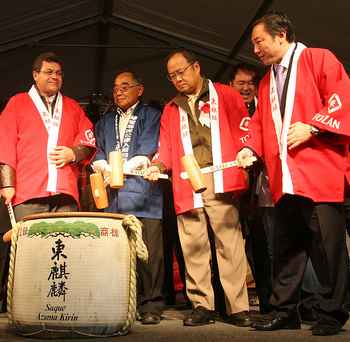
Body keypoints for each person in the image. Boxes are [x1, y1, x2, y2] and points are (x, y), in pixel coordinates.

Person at [236, 12, 350, 336]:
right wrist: (250, 149)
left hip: (318, 172)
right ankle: (285, 310)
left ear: (281, 34)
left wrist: (313, 125)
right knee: (286, 247)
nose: (255, 49)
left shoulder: (318, 59)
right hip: (284, 177)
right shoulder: (265, 81)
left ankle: (333, 312)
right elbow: (258, 125)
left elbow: (343, 99)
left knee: (327, 250)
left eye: (259, 41)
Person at [144, 49, 251, 327]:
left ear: (196, 67)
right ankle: (202, 304)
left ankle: (237, 307)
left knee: (229, 242)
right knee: (193, 245)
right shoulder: (170, 108)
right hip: (186, 179)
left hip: (221, 175)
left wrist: (247, 149)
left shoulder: (226, 95)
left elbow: (243, 129)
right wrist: (158, 165)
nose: (178, 79)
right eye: (172, 76)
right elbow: (165, 147)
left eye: (181, 72)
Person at [92, 70, 164, 325]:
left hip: (145, 195)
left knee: (149, 253)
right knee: (118, 254)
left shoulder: (151, 116)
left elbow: (149, 147)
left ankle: (152, 304)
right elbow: (98, 151)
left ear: (140, 89)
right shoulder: (105, 120)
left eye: (125, 86)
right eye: (115, 88)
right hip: (114, 198)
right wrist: (104, 165)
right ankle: (124, 303)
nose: (119, 91)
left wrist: (122, 168)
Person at [0, 51, 95, 220]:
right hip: (28, 192)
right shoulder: (17, 103)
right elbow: (4, 144)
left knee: (65, 244)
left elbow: (88, 139)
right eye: (49, 72)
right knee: (31, 245)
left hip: (65, 191)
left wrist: (74, 153)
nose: (55, 76)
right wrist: (7, 184)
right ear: (35, 75)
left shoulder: (72, 106)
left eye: (58, 73)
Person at [230, 63, 273, 314]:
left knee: (263, 244)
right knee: (231, 246)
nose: (245, 88)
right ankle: (232, 305)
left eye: (250, 83)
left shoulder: (265, 108)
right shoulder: (223, 109)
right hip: (232, 188)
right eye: (240, 83)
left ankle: (270, 301)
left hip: (261, 188)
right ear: (231, 85)